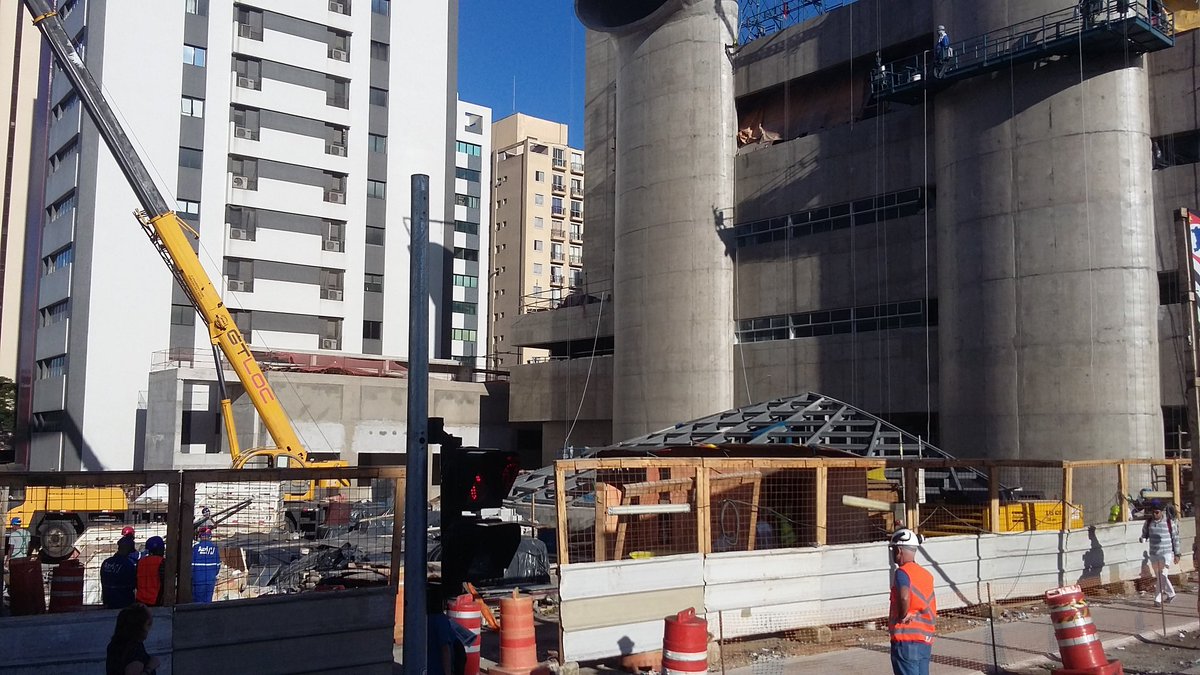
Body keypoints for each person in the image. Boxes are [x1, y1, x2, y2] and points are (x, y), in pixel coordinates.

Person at [889, 528, 936, 675]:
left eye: (893, 549)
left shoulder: (902, 572)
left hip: (906, 640)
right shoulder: (926, 575)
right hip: (924, 642)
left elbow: (904, 596)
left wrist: (902, 615)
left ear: (899, 550)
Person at [1139, 500, 1179, 605]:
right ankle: (1171, 594)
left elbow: (1175, 538)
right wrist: (1142, 539)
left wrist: (1177, 554)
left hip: (1166, 553)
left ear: (1161, 512)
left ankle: (1157, 599)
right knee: (1160, 576)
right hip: (1154, 553)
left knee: (1163, 574)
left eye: (1157, 512)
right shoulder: (1148, 522)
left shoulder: (1169, 522)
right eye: (1153, 512)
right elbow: (1144, 535)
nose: (1154, 514)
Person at [106, 602, 160, 675]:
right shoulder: (134, 650)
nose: (148, 630)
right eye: (148, 625)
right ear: (139, 627)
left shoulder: (115, 644)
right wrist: (150, 667)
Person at [100, 536, 139, 610]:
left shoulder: (106, 562)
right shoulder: (128, 565)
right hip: (124, 604)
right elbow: (133, 585)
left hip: (108, 603)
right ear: (128, 549)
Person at [191, 526, 220, 603]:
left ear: (200, 536)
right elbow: (218, 566)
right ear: (210, 536)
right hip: (210, 579)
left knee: (197, 602)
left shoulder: (195, 548)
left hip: (198, 579)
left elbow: (191, 565)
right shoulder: (215, 548)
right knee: (207, 601)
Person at [135, 536, 167, 607]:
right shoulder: (162, 562)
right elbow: (165, 583)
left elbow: (136, 581)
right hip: (156, 601)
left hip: (140, 600)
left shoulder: (140, 562)